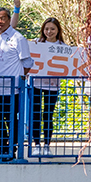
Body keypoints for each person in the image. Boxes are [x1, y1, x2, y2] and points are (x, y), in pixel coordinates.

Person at [0, 7, 30, 158]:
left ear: (9, 19)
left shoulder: (18, 38)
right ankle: (3, 149)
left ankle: (12, 149)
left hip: (13, 90)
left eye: (3, 18)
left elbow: (27, 63)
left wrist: (18, 78)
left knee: (12, 121)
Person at [28, 16, 66, 155]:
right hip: (36, 84)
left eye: (52, 29)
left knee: (48, 115)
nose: (49, 32)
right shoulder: (36, 43)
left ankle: (46, 145)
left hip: (52, 85)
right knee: (35, 114)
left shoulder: (63, 47)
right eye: (46, 29)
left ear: (58, 30)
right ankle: (37, 144)